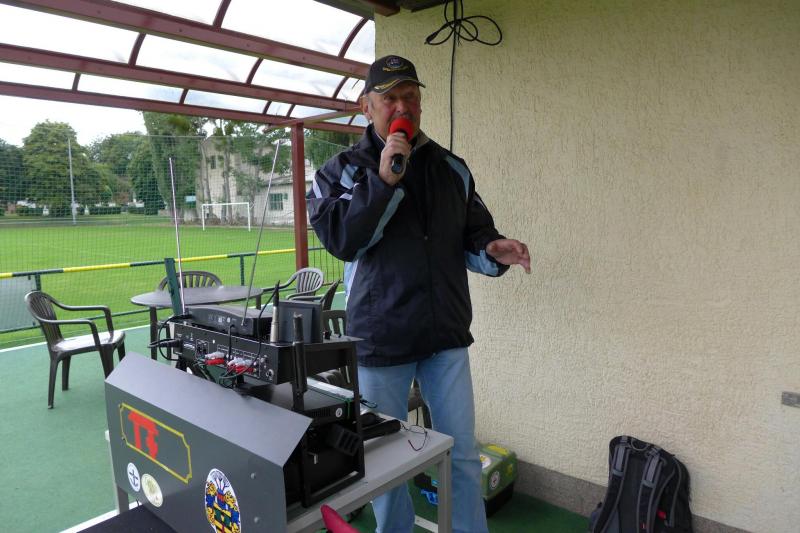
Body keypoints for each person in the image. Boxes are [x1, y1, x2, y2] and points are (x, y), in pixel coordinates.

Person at [307, 55, 530, 533]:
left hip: (445, 335)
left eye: (410, 96)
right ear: (366, 106)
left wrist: (493, 248)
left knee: (461, 452)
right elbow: (342, 240)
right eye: (390, 97)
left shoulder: (451, 168)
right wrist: (384, 180)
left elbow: (474, 232)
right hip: (381, 339)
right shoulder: (340, 171)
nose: (402, 106)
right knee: (385, 461)